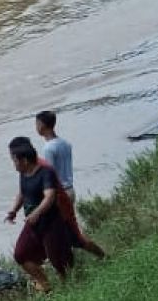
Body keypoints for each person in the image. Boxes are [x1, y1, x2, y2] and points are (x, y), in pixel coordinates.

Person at [6, 137, 74, 294]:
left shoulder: (45, 172)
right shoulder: (23, 172)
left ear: (24, 160)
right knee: (20, 254)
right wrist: (13, 211)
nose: (13, 164)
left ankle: (69, 290)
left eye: (14, 160)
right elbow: (22, 193)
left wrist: (36, 212)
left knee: (59, 261)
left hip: (51, 223)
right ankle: (45, 285)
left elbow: (49, 196)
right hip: (33, 224)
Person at [35, 111, 106, 259]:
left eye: (37, 124)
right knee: (65, 231)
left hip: (60, 195)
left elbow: (50, 175)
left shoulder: (48, 148)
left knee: (67, 233)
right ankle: (71, 260)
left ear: (42, 125)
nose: (36, 127)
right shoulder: (65, 143)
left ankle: (99, 255)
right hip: (70, 190)